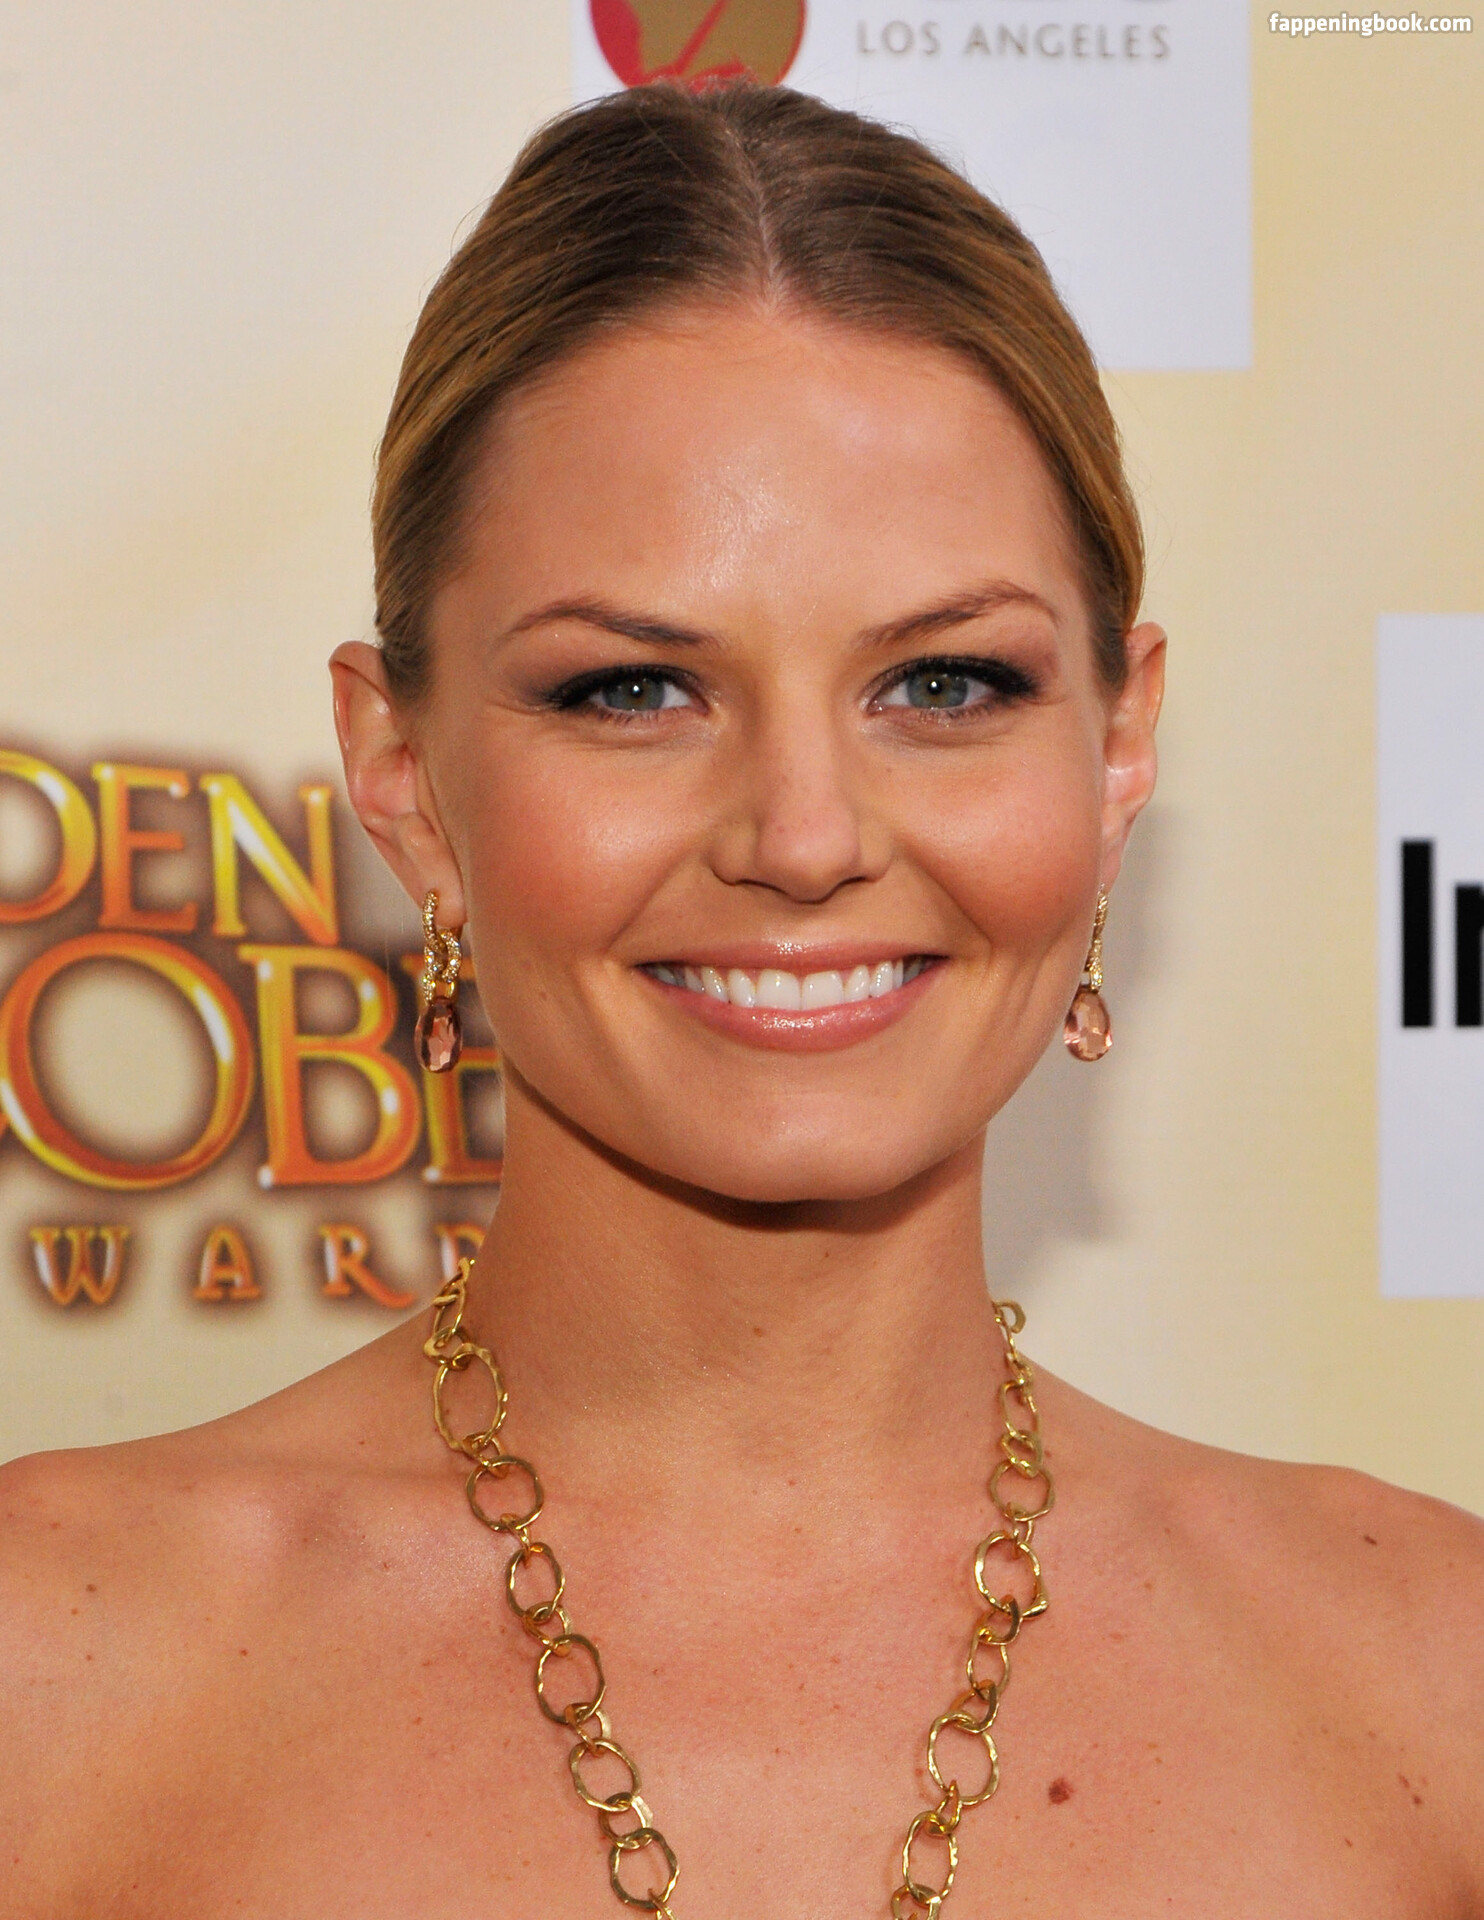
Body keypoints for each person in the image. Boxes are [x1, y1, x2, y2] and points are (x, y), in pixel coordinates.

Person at [1, 82, 1479, 1920]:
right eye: (632, 691)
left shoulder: (1429, 1677)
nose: (802, 837)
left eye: (945, 683)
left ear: (1118, 750)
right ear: (403, 777)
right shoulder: (49, 1680)